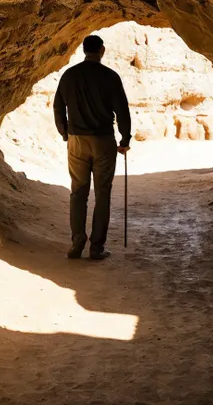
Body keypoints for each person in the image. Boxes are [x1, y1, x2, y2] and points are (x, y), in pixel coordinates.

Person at [53, 34, 131, 260]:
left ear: (83, 50)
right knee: (102, 193)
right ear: (102, 50)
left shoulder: (69, 75)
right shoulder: (110, 77)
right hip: (103, 141)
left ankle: (77, 241)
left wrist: (65, 132)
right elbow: (122, 112)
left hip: (77, 141)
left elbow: (58, 106)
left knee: (78, 192)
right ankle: (96, 247)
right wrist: (124, 140)